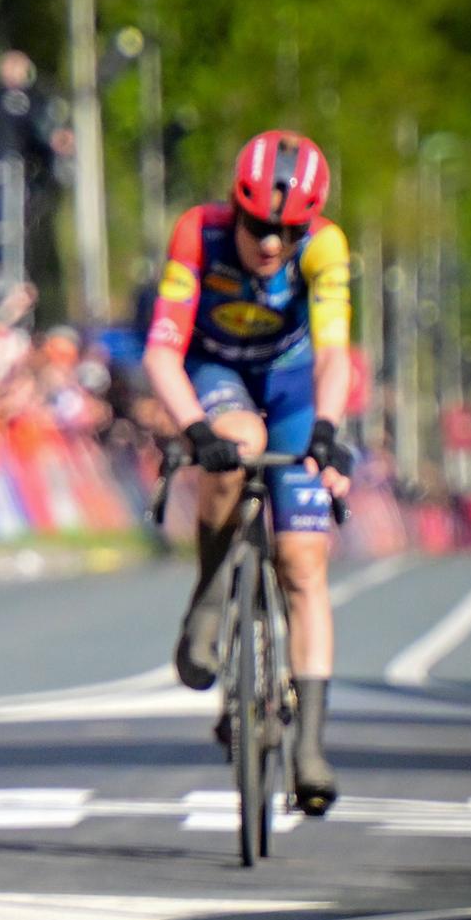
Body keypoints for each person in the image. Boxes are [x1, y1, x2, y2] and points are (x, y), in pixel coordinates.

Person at [142, 130, 353, 815]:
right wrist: (194, 431)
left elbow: (333, 353)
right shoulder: (197, 235)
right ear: (236, 208)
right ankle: (208, 594)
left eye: (287, 232)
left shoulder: (325, 247)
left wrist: (327, 428)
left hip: (291, 384)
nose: (270, 244)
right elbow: (161, 353)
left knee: (302, 561)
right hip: (217, 371)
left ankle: (311, 746)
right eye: (259, 226)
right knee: (236, 442)